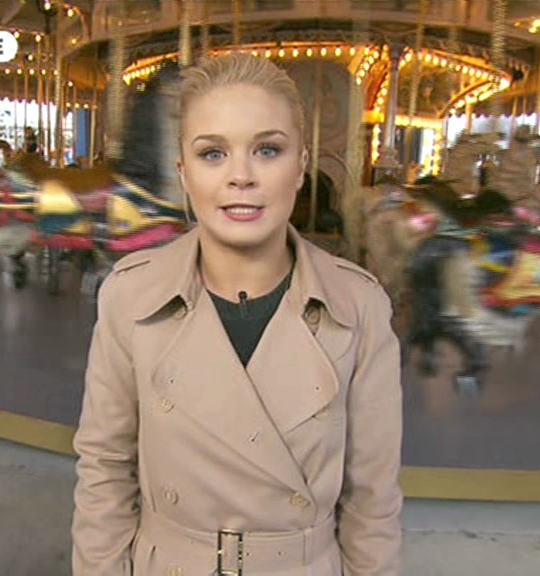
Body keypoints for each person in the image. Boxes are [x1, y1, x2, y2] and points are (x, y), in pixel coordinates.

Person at [72, 54, 403, 575]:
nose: (241, 177)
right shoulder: (129, 297)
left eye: (267, 150)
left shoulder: (358, 307)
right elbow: (105, 472)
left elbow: (373, 502)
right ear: (183, 172)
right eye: (213, 154)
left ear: (301, 166)